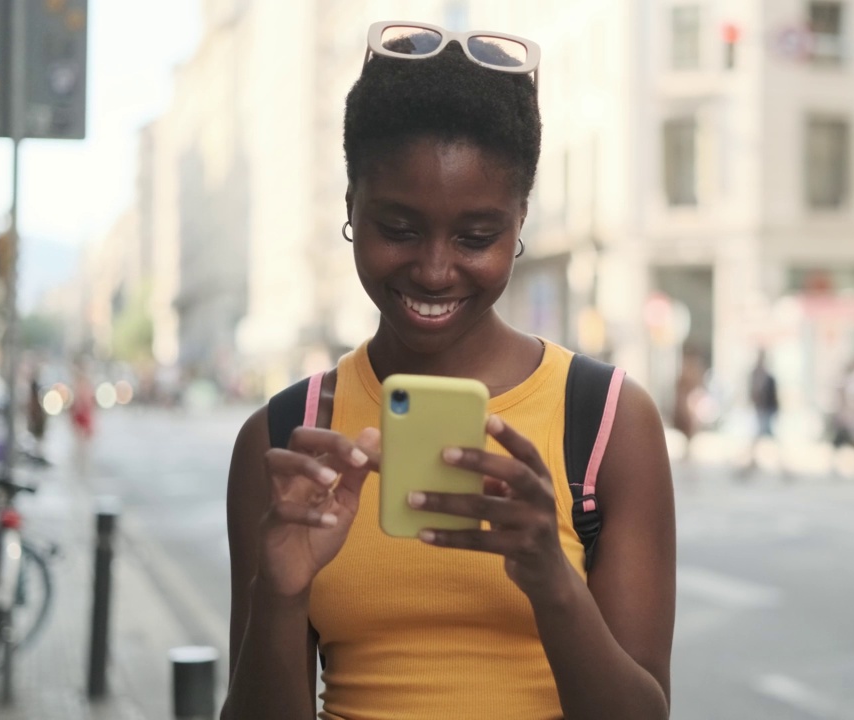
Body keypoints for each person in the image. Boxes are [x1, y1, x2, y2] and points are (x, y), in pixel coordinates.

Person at [222, 25, 675, 720]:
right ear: (350, 208)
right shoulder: (287, 436)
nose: (435, 270)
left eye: (475, 236)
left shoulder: (609, 421)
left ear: (520, 219)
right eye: (399, 228)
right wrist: (280, 593)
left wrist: (553, 581)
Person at [738, 349, 781, 479]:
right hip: (759, 411)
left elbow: (773, 396)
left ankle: (749, 466)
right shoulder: (755, 374)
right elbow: (752, 393)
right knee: (757, 440)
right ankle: (748, 466)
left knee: (763, 440)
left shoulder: (768, 377)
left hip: (766, 411)